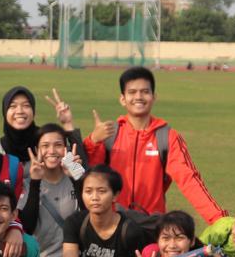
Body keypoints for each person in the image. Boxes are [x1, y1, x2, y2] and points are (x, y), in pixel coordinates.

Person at [83, 66, 226, 223]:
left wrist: (219, 220)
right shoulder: (109, 133)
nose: (139, 97)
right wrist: (92, 141)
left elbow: (188, 179)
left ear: (154, 96)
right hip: (112, 225)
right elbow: (84, 175)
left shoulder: (166, 136)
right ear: (122, 99)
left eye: (145, 92)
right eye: (132, 92)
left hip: (151, 226)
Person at [61, 165, 146, 257]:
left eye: (102, 191)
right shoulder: (74, 223)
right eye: (88, 191)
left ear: (115, 195)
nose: (94, 197)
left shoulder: (130, 230)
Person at [17, 123, 84, 257]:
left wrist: (76, 179)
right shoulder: (27, 184)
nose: (52, 151)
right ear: (36, 150)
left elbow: (90, 217)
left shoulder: (79, 178)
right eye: (45, 146)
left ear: (66, 149)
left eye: (58, 145)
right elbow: (27, 226)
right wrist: (35, 182)